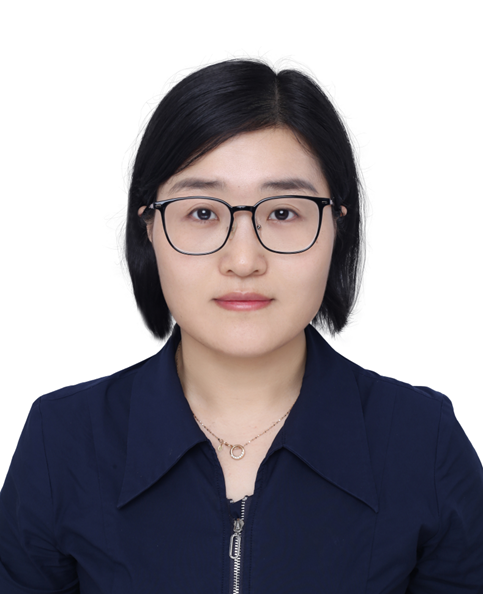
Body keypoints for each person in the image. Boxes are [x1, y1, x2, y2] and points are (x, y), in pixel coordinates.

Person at [1, 59, 482, 594]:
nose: (244, 260)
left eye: (283, 213)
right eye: (203, 213)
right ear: (150, 228)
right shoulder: (62, 441)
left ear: (337, 228)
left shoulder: (422, 442)